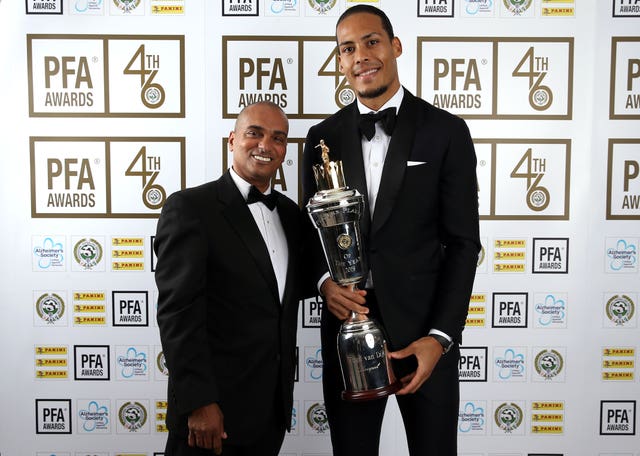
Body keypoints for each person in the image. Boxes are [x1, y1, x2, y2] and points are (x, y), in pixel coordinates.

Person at [301, 5, 481, 455]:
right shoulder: (321, 138)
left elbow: (463, 244)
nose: (360, 55)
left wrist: (440, 338)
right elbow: (311, 236)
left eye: (371, 41)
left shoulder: (447, 131)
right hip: (349, 334)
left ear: (395, 46)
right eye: (348, 48)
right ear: (339, 62)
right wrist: (325, 283)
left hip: (424, 339)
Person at [155, 101, 304, 456]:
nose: (266, 145)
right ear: (232, 139)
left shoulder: (291, 215)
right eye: (254, 133)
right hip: (210, 418)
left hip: (270, 415)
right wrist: (198, 402)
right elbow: (178, 314)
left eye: (278, 138)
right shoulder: (191, 208)